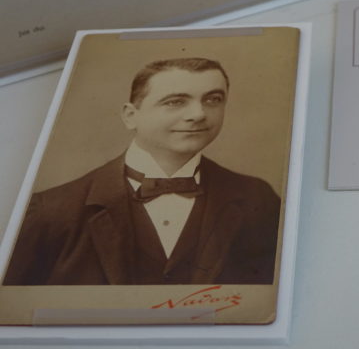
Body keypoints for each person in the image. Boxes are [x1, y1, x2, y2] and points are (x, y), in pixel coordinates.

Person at [3, 58, 281, 285]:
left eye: (213, 99)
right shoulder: (51, 212)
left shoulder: (258, 198)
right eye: (175, 101)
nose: (198, 114)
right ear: (130, 116)